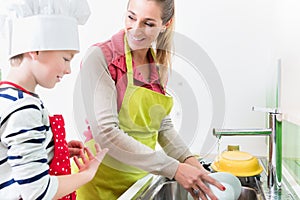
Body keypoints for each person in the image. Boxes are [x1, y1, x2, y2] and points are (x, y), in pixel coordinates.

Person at [76, 0, 225, 199]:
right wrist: (174, 169)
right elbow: (106, 133)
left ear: (166, 24)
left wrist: (195, 168)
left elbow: (162, 126)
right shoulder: (100, 57)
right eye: (131, 17)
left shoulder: (157, 65)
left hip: (138, 185)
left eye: (148, 23)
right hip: (97, 184)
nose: (136, 30)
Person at [0, 0, 108, 199]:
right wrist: (88, 174)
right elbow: (37, 191)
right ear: (35, 49)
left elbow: (11, 163)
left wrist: (52, 150)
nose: (68, 70)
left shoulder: (9, 97)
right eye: (66, 59)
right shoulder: (24, 109)